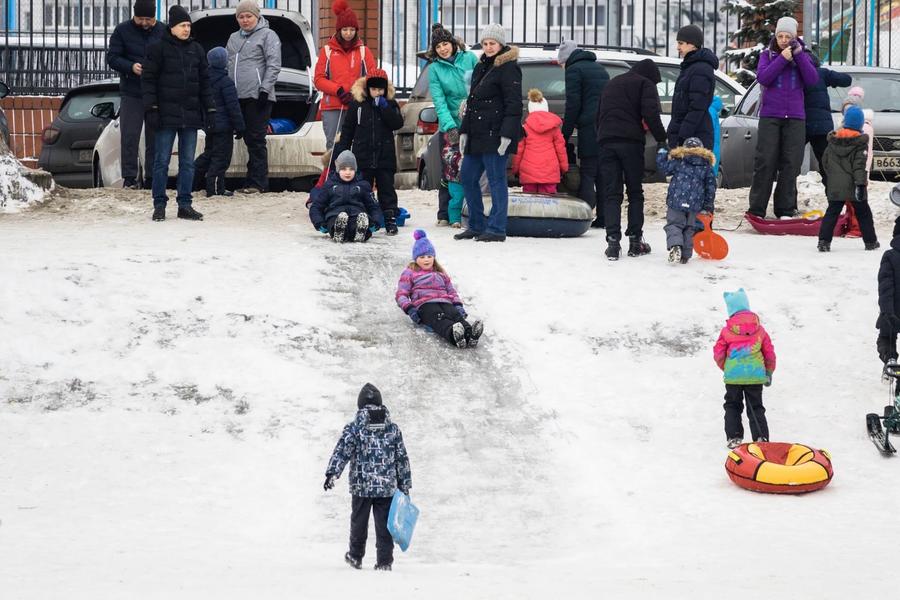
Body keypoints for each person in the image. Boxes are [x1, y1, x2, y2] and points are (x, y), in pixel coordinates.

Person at [324, 383, 412, 572]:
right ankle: (384, 562)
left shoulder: (354, 429)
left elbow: (342, 451)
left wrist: (332, 473)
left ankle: (355, 557)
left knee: (359, 523)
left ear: (360, 405)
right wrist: (404, 485)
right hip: (386, 487)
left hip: (361, 486)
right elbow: (402, 459)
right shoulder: (393, 430)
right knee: (384, 526)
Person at [142, 4, 215, 222]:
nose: (186, 29)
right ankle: (159, 204)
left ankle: (185, 204)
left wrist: (210, 108)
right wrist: (152, 108)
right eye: (182, 25)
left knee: (187, 163)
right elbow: (148, 81)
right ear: (172, 27)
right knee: (161, 161)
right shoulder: (157, 48)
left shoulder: (197, 50)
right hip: (165, 115)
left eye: (188, 26)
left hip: (190, 115)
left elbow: (205, 82)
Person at [595, 59, 667, 261]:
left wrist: (602, 137)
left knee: (612, 193)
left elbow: (598, 115)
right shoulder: (645, 84)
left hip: (606, 142)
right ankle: (635, 242)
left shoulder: (612, 83)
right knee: (635, 191)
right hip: (631, 143)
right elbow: (651, 113)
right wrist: (662, 138)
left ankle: (612, 243)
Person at [747, 17, 818, 219]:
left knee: (791, 163)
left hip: (795, 117)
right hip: (771, 116)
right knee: (765, 161)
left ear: (794, 37)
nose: (784, 40)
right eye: (780, 36)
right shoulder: (766, 55)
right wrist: (782, 59)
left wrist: (798, 56)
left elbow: (812, 80)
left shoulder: (803, 55)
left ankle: (785, 209)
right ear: (775, 36)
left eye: (788, 36)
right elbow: (763, 78)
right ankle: (757, 208)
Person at [456, 23, 522, 243]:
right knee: (467, 176)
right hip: (476, 133)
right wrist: (464, 131)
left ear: (501, 44)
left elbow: (513, 104)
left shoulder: (509, 67)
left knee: (496, 181)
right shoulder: (481, 66)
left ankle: (496, 228)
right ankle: (476, 224)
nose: (488, 47)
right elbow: (472, 102)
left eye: (492, 43)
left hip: (495, 134)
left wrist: (507, 135)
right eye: (485, 43)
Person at [333, 69, 404, 235]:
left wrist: (385, 107)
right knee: (363, 188)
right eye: (374, 89)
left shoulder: (390, 104)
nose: (377, 93)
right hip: (362, 155)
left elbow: (397, 124)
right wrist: (342, 152)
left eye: (380, 90)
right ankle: (363, 218)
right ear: (367, 88)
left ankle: (390, 218)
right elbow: (348, 128)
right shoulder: (357, 104)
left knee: (386, 189)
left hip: (384, 156)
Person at [106, 0, 166, 190]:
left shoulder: (164, 30)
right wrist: (131, 67)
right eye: (141, 19)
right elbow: (112, 58)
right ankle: (130, 178)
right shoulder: (122, 31)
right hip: (132, 91)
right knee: (130, 135)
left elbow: (171, 56)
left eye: (149, 19)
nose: (145, 23)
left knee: (155, 137)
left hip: (157, 92)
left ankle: (152, 177)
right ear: (134, 15)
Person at [226, 0, 281, 194]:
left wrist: (265, 89)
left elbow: (274, 64)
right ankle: (246, 180)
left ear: (257, 17)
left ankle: (258, 183)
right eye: (241, 17)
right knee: (243, 138)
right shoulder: (233, 38)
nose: (245, 20)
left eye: (248, 16)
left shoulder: (268, 35)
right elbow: (227, 64)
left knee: (256, 139)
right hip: (236, 96)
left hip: (258, 96)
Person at [426, 23, 478, 226]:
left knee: (473, 168)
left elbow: (479, 87)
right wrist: (450, 126)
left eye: (445, 44)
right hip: (450, 125)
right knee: (450, 169)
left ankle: (470, 211)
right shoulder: (435, 69)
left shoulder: (470, 59)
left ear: (453, 43)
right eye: (438, 47)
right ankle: (445, 213)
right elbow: (439, 100)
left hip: (473, 121)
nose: (443, 49)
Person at [396, 230, 484, 348]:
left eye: (429, 256)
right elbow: (401, 294)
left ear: (434, 257)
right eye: (422, 257)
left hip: (445, 301)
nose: (426, 260)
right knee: (439, 318)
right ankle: (454, 336)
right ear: (415, 258)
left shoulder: (440, 273)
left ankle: (470, 334)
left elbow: (451, 291)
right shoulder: (410, 272)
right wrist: (410, 309)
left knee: (455, 315)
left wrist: (458, 305)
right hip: (424, 305)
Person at [713, 288, 777, 449]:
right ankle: (761, 437)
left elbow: (718, 353)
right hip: (755, 375)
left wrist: (727, 368)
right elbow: (769, 352)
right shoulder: (760, 330)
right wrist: (768, 371)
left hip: (734, 377)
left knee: (732, 405)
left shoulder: (727, 331)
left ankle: (734, 437)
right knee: (755, 406)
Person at [558, 39, 609, 226]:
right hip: (605, 125)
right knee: (603, 173)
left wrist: (564, 134)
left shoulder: (574, 70)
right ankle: (604, 217)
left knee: (587, 172)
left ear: (566, 60)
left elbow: (573, 104)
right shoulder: (599, 68)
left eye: (561, 63)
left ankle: (584, 215)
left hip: (589, 127)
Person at [314, 0, 377, 150]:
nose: (348, 33)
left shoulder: (363, 51)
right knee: (334, 146)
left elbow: (373, 78)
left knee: (357, 145)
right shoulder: (327, 51)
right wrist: (338, 90)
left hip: (357, 105)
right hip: (332, 107)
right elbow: (318, 79)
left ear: (356, 30)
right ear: (338, 30)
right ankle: (333, 174)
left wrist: (358, 92)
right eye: (344, 29)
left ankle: (355, 174)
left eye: (352, 29)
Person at [816, 106, 879, 252]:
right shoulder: (860, 144)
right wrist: (861, 185)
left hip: (835, 184)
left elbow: (825, 162)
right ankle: (870, 241)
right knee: (863, 213)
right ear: (860, 124)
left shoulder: (833, 141)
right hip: (854, 185)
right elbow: (859, 167)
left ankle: (824, 241)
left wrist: (832, 176)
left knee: (832, 213)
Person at [194, 47, 245, 198]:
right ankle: (215, 189)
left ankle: (190, 180)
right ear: (224, 63)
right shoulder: (226, 82)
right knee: (221, 158)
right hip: (223, 127)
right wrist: (240, 127)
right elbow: (233, 107)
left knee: (209, 154)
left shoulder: (205, 80)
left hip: (210, 125)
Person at [656, 137, 716, 265]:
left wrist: (662, 152)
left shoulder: (679, 161)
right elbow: (710, 187)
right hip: (695, 205)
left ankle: (675, 246)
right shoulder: (706, 166)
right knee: (689, 228)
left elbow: (664, 168)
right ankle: (685, 256)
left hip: (676, 201)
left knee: (674, 225)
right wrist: (708, 205)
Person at [309, 150, 383, 243]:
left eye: (351, 169)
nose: (348, 172)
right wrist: (319, 222)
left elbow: (373, 206)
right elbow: (317, 206)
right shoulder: (330, 185)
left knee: (359, 221)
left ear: (355, 170)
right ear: (338, 169)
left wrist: (375, 221)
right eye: (344, 169)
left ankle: (361, 232)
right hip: (335, 214)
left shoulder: (363, 185)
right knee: (334, 221)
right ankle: (338, 232)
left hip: (357, 214)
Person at [667, 25, 719, 150]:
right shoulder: (690, 67)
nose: (678, 47)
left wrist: (683, 135)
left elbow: (697, 106)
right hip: (688, 135)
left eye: (681, 43)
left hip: (694, 138)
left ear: (692, 44)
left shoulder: (700, 68)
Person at [804, 60, 852, 187]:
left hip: (799, 124)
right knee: (827, 164)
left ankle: (790, 204)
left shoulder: (796, 73)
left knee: (790, 166)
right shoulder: (822, 73)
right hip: (822, 126)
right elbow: (847, 80)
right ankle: (834, 199)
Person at [511, 89, 568, 194]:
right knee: (548, 202)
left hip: (528, 172)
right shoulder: (555, 129)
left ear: (530, 110)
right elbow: (561, 150)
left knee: (530, 203)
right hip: (549, 171)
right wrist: (564, 167)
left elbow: (518, 151)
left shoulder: (525, 128)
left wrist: (515, 169)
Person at [877, 237, 900, 364]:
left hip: (894, 310)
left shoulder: (890, 256)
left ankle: (890, 359)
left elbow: (885, 287)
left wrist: (886, 311)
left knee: (886, 337)